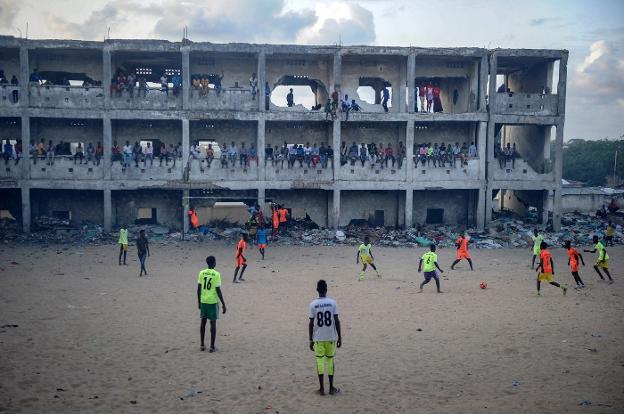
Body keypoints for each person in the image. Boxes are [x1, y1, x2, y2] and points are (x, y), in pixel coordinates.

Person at [308, 279, 342, 396]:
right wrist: (340, 337)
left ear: (317, 290)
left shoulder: (313, 304)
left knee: (320, 362)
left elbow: (311, 323)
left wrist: (310, 339)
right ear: (326, 289)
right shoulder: (333, 303)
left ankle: (322, 389)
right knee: (330, 360)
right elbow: (337, 321)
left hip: (318, 338)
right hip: (331, 336)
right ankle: (331, 388)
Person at [197, 255, 227, 352]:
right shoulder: (216, 274)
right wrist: (223, 303)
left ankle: (202, 344)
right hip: (212, 301)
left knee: (203, 322)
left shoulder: (202, 273)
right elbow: (218, 290)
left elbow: (198, 289)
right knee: (212, 323)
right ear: (214, 263)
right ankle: (212, 346)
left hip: (204, 301)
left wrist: (199, 301)